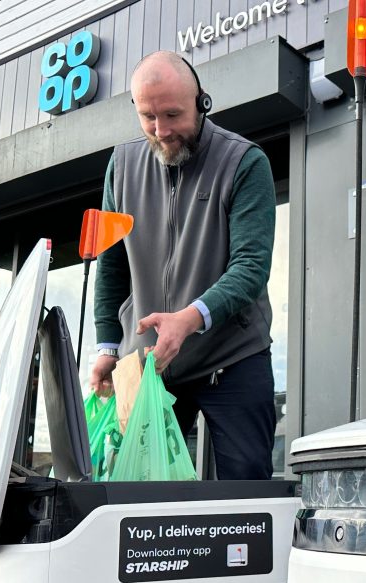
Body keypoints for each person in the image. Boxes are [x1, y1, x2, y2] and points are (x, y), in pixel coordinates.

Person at [90, 51, 276, 480]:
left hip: (233, 358)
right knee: (139, 488)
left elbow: (250, 266)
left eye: (173, 115)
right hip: (148, 362)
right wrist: (107, 348)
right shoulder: (121, 167)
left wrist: (189, 320)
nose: (161, 130)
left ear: (201, 102)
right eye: (148, 117)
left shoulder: (245, 162)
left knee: (246, 486)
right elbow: (112, 265)